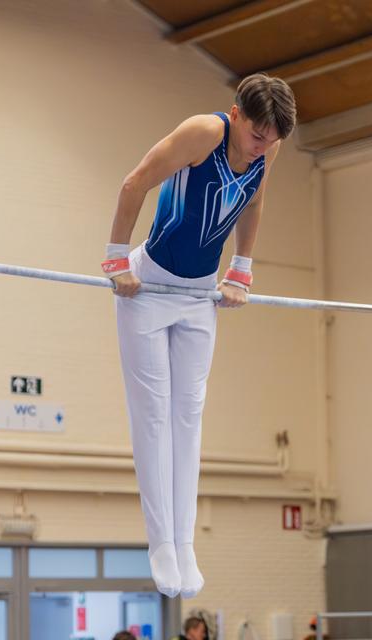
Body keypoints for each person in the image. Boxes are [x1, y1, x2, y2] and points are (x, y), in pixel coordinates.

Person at [102, 73, 296, 599]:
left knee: (189, 416)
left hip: (199, 295)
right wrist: (116, 258)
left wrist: (242, 268)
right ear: (235, 113)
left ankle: (185, 543)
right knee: (155, 413)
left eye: (272, 139)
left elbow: (253, 202)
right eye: (257, 134)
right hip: (146, 288)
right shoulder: (202, 133)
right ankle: (160, 542)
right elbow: (134, 183)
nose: (263, 146)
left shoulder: (267, 146)